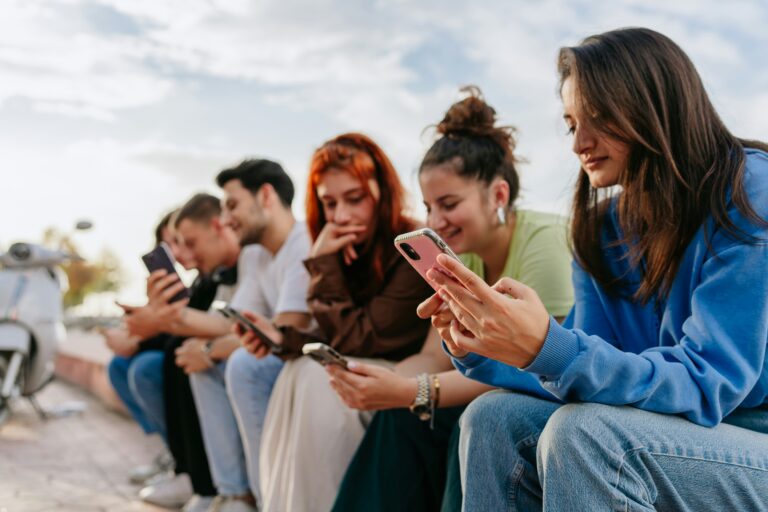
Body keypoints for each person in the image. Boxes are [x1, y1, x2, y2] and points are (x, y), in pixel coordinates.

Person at [422, 28, 768, 511]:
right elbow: (590, 371)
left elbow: (710, 384)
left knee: (587, 434)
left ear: (654, 106)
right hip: (673, 434)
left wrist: (550, 346)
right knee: (492, 416)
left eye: (599, 118)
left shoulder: (750, 191)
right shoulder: (602, 230)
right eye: (571, 124)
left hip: (752, 439)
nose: (579, 143)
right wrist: (488, 346)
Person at [328, 88, 574, 512]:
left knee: (445, 414)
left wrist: (412, 390)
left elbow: (535, 368)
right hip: (491, 391)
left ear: (498, 196)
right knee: (398, 414)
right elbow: (433, 355)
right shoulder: (460, 255)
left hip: (542, 399)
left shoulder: (544, 243)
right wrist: (383, 383)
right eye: (428, 206)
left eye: (449, 204)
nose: (435, 221)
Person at [236, 133, 433, 512]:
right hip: (365, 363)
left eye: (354, 199)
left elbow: (363, 337)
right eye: (330, 203)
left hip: (402, 376)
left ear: (383, 191)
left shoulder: (409, 246)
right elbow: (334, 334)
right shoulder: (348, 248)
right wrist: (281, 338)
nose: (341, 215)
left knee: (317, 379)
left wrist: (323, 266)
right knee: (296, 368)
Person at [188, 159, 312, 512]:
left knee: (245, 365)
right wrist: (172, 319)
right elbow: (236, 322)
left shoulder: (303, 240)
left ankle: (267, 500)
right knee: (202, 366)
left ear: (266, 195)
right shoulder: (256, 253)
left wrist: (213, 348)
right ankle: (234, 493)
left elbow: (285, 332)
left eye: (232, 205)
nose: (225, 219)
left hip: (304, 356)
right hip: (277, 351)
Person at [136, 193, 243, 512]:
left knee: (185, 357)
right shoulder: (218, 274)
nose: (184, 256)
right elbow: (226, 323)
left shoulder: (240, 263)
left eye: (186, 243)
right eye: (174, 247)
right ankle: (206, 480)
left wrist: (160, 319)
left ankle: (222, 487)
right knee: (174, 356)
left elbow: (246, 327)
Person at [105, 209, 196, 485]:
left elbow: (185, 329)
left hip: (194, 355)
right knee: (119, 366)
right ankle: (172, 452)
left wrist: (141, 336)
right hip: (180, 349)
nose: (176, 253)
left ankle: (188, 465)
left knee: (144, 368)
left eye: (180, 242)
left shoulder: (204, 274)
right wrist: (146, 320)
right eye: (168, 246)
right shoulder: (175, 283)